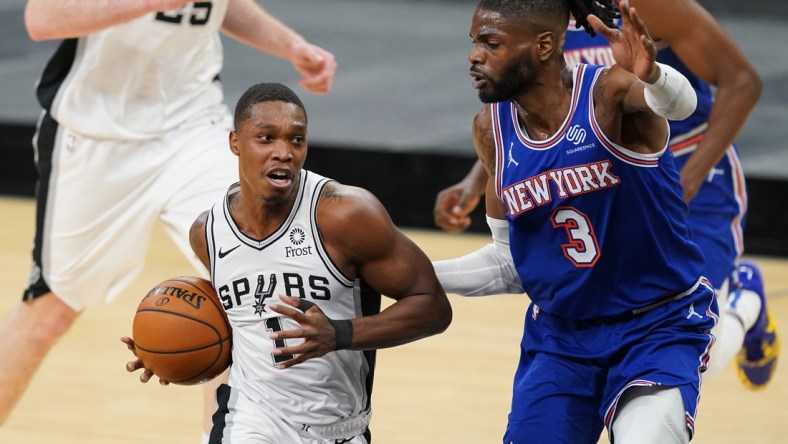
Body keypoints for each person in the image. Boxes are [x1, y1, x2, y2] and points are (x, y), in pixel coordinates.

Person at [0, 0, 338, 441]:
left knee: (246, 288)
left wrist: (290, 45)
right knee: (50, 312)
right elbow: (42, 19)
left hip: (192, 127)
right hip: (96, 134)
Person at [433, 0, 778, 390]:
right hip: (612, 180)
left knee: (702, 350)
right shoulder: (535, 17)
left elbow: (742, 82)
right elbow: (537, 105)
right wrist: (475, 181)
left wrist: (689, 179)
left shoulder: (647, 6)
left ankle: (746, 298)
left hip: (688, 166)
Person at [122, 82, 453, 443]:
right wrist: (168, 346)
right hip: (249, 419)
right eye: (266, 138)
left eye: (296, 140)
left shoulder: (346, 215)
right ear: (235, 143)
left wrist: (340, 334)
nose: (284, 152)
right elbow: (245, 326)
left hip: (338, 428)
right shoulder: (207, 232)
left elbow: (432, 307)